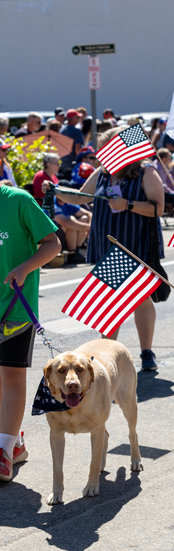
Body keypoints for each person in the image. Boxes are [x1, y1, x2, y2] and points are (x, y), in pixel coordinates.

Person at [51, 126, 165, 370]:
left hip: (136, 245)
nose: (104, 151)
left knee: (140, 299)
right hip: (107, 246)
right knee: (109, 301)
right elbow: (81, 197)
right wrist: (57, 192)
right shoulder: (103, 173)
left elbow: (159, 207)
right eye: (104, 146)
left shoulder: (146, 171)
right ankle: (106, 356)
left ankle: (147, 353)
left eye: (109, 145)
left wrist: (128, 205)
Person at [0, 184, 61, 481]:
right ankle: (15, 443)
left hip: (14, 310)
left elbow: (53, 244)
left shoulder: (18, 200)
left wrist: (24, 268)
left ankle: (3, 451)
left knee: (11, 378)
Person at [59, 109, 84, 181]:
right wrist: (80, 162)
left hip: (62, 164)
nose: (79, 119)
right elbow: (77, 149)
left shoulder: (62, 129)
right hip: (72, 166)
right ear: (73, 119)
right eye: (77, 117)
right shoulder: (77, 131)